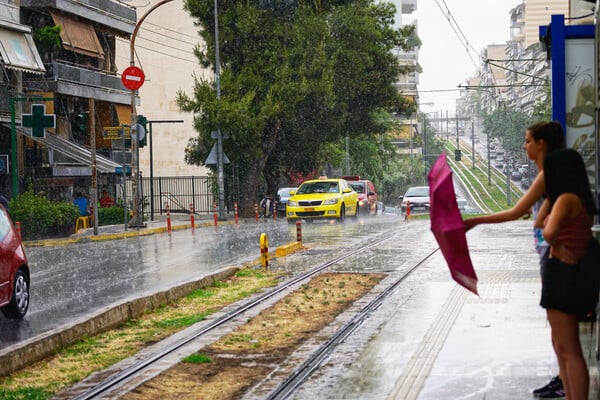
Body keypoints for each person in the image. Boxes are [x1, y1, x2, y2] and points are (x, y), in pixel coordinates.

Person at [463, 121, 566, 398]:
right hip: (551, 255)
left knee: (560, 330)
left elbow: (515, 212)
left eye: (528, 140)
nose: (525, 145)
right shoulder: (551, 172)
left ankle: (564, 381)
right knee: (559, 329)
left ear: (541, 144)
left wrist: (475, 221)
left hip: (554, 256)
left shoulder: (549, 175)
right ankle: (563, 378)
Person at [537, 148, 596, 400]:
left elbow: (548, 232)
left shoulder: (567, 200)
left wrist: (558, 243)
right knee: (562, 347)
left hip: (563, 275)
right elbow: (540, 222)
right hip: (563, 274)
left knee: (569, 349)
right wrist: (550, 198)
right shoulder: (569, 198)